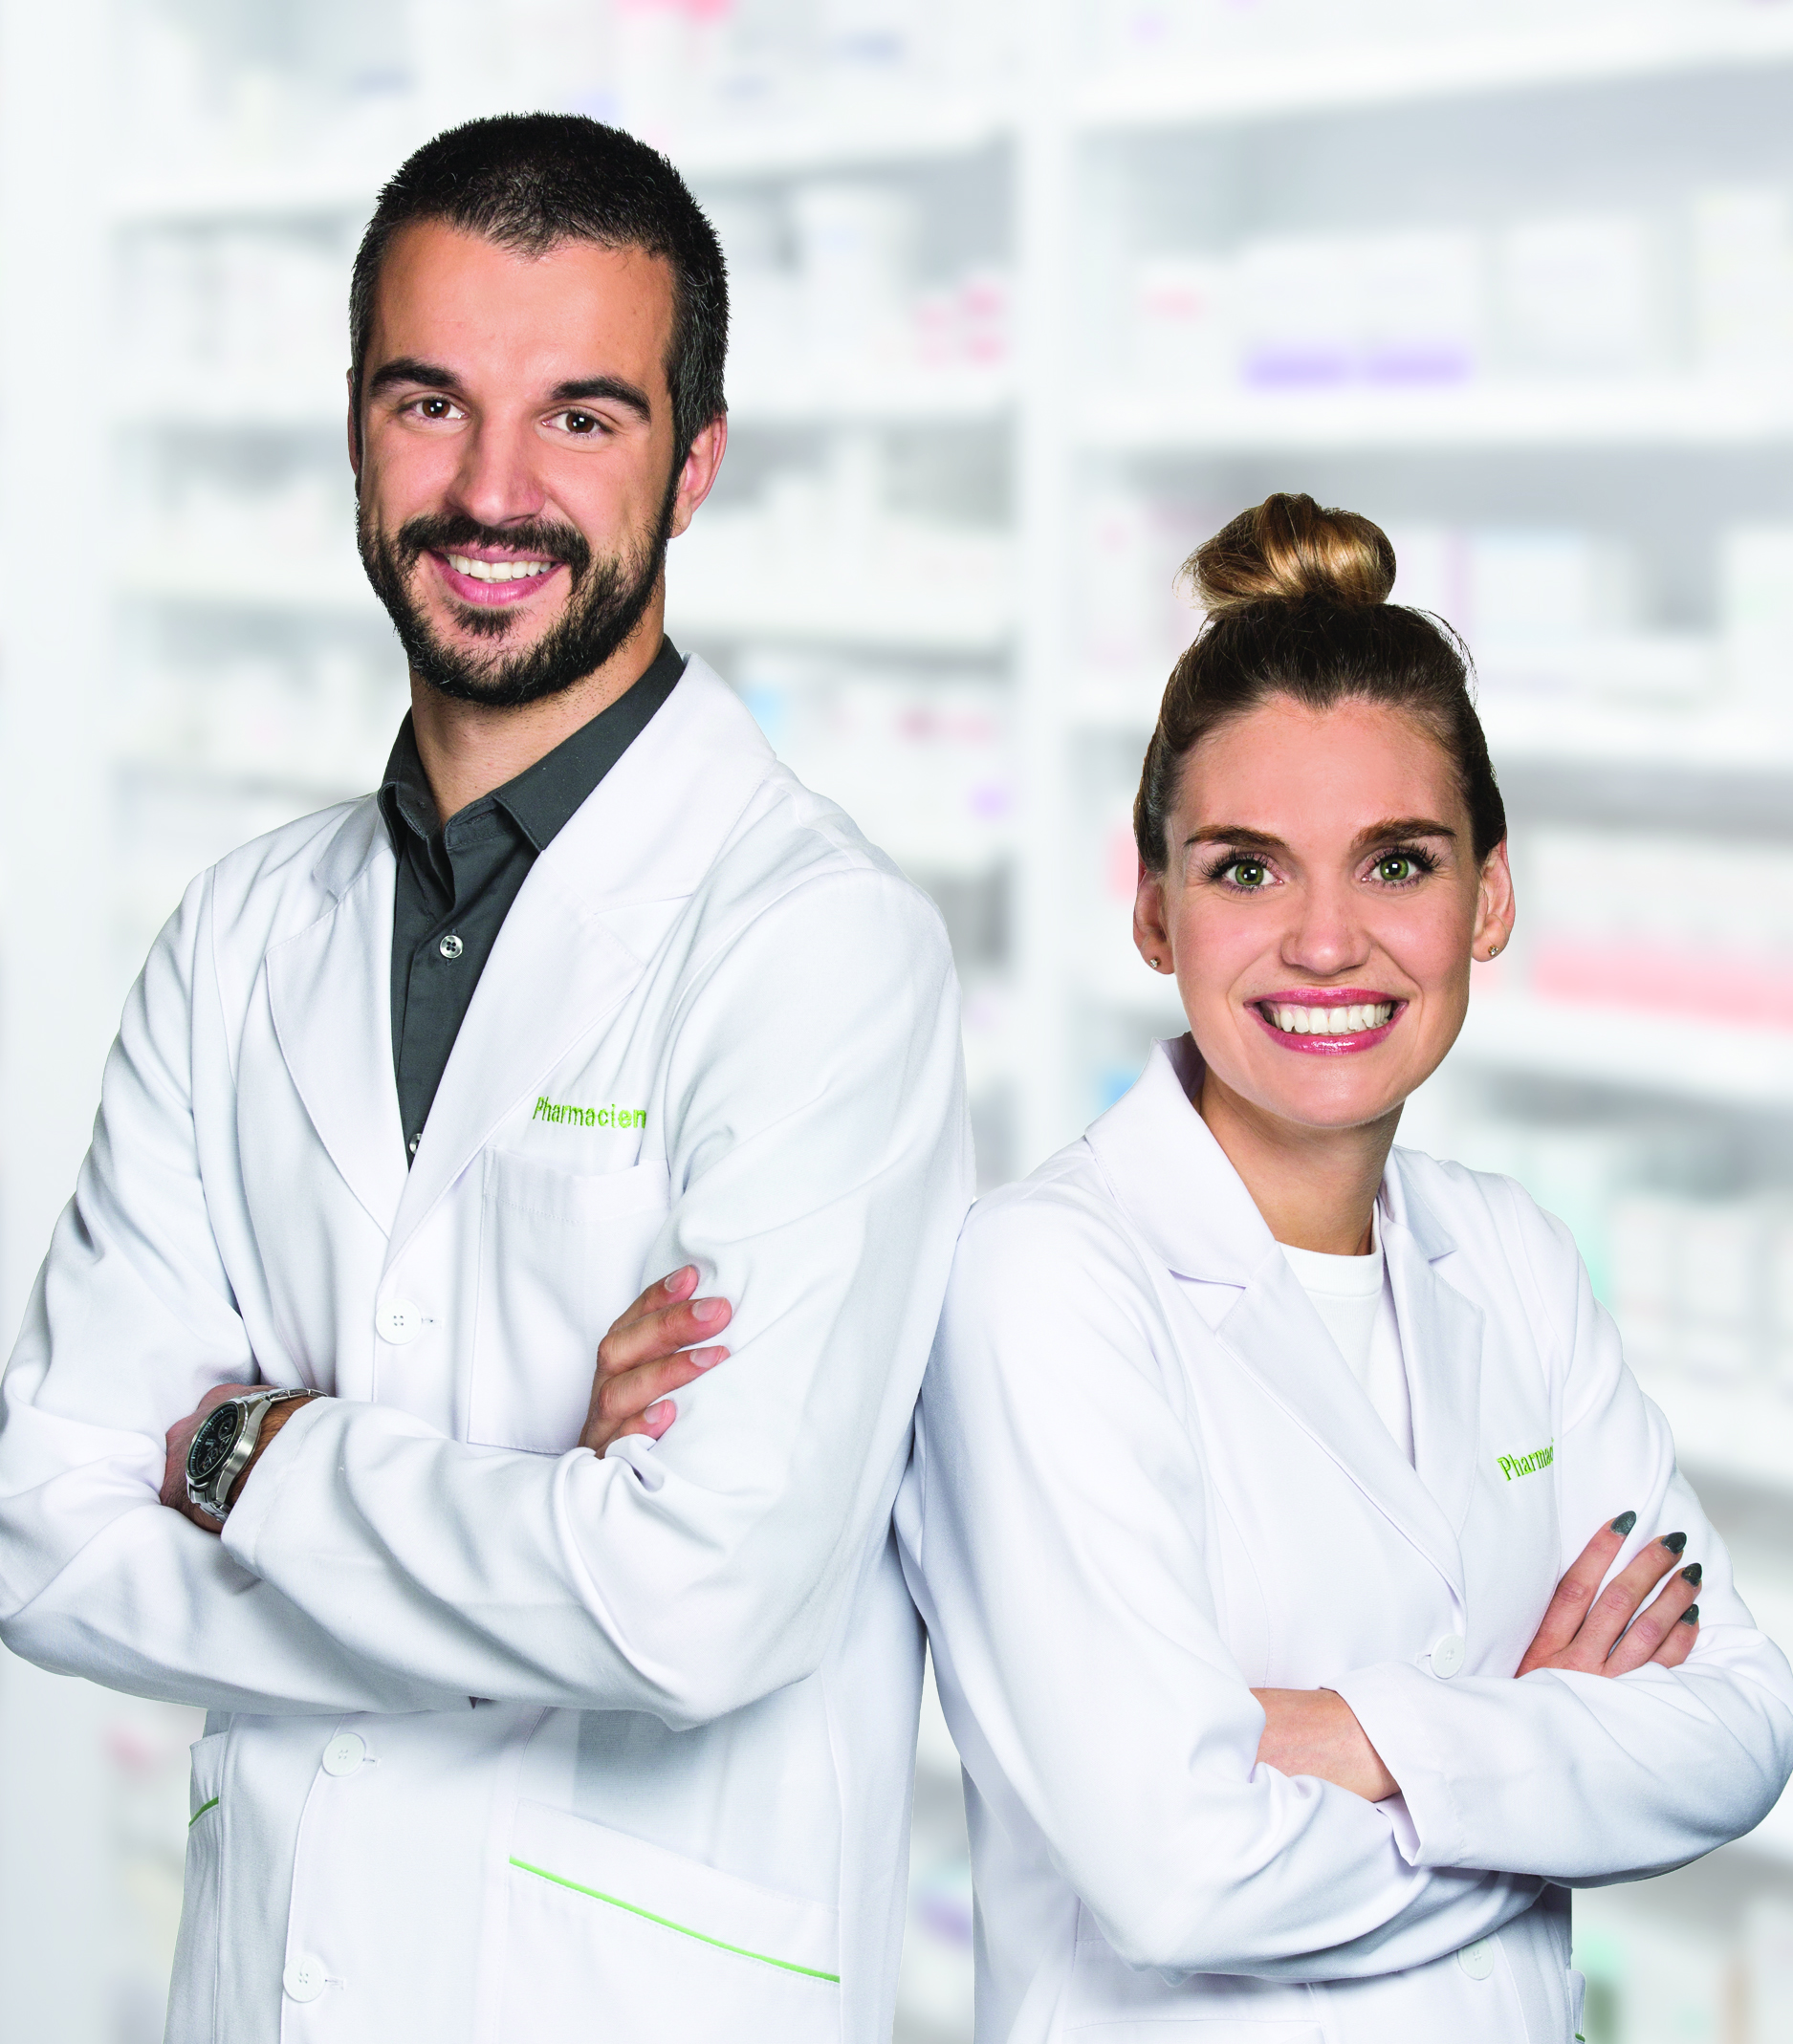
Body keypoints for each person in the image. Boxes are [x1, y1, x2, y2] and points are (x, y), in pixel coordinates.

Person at [0, 115, 971, 2043]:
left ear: (694, 463)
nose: (491, 489)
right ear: (356, 428)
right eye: (430, 402)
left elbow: (695, 1605)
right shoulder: (239, 931)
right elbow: (46, 1524)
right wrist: (538, 1490)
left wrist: (249, 1450)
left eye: (581, 416)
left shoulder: (821, 947)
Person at [896, 495, 1793, 2043]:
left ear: (1487, 896)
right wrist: (1541, 1768)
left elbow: (1739, 1724)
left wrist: (1350, 1734)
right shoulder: (1042, 1284)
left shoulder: (1505, 1254)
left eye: (1394, 862)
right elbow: (1177, 1872)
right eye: (1246, 870)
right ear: (1153, 908)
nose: (1324, 941)